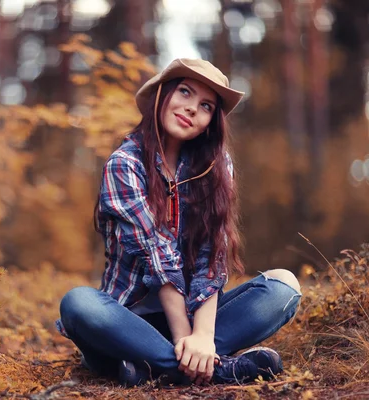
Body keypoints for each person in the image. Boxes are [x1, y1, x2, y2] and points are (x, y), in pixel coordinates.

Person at [56, 58, 302, 387]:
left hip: (192, 315)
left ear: (211, 121)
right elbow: (158, 257)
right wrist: (188, 339)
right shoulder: (124, 164)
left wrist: (202, 334)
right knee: (78, 303)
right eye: (184, 92)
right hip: (125, 323)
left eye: (205, 106)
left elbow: (211, 257)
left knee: (283, 288)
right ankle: (216, 368)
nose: (190, 109)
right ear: (163, 94)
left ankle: (151, 367)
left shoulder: (216, 168)